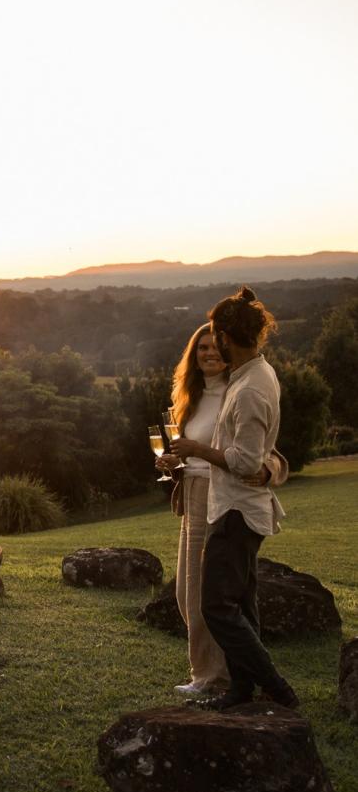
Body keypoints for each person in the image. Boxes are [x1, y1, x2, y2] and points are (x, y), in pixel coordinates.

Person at [170, 286, 297, 710]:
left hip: (235, 508)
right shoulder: (246, 378)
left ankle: (275, 687)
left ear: (226, 336)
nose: (211, 347)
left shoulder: (247, 389)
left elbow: (250, 460)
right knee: (238, 601)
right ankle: (242, 689)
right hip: (214, 501)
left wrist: (198, 451)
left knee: (216, 604)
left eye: (215, 337)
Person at [156, 324, 231, 695]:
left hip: (219, 496)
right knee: (187, 595)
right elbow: (184, 450)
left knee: (205, 593)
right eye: (202, 347)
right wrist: (171, 464)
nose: (209, 353)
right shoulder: (193, 396)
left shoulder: (236, 395)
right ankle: (206, 671)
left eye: (216, 347)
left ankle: (212, 678)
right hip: (192, 494)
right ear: (194, 354)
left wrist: (194, 454)